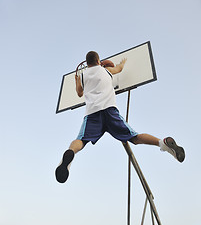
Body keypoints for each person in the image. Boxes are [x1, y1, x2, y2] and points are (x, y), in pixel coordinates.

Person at [55, 51, 185, 183]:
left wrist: (77, 81)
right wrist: (122, 63)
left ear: (87, 63)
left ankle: (70, 153)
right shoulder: (106, 71)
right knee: (135, 137)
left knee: (81, 140)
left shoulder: (83, 75)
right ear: (99, 60)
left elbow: (79, 93)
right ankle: (162, 143)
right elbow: (119, 69)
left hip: (92, 113)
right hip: (110, 110)